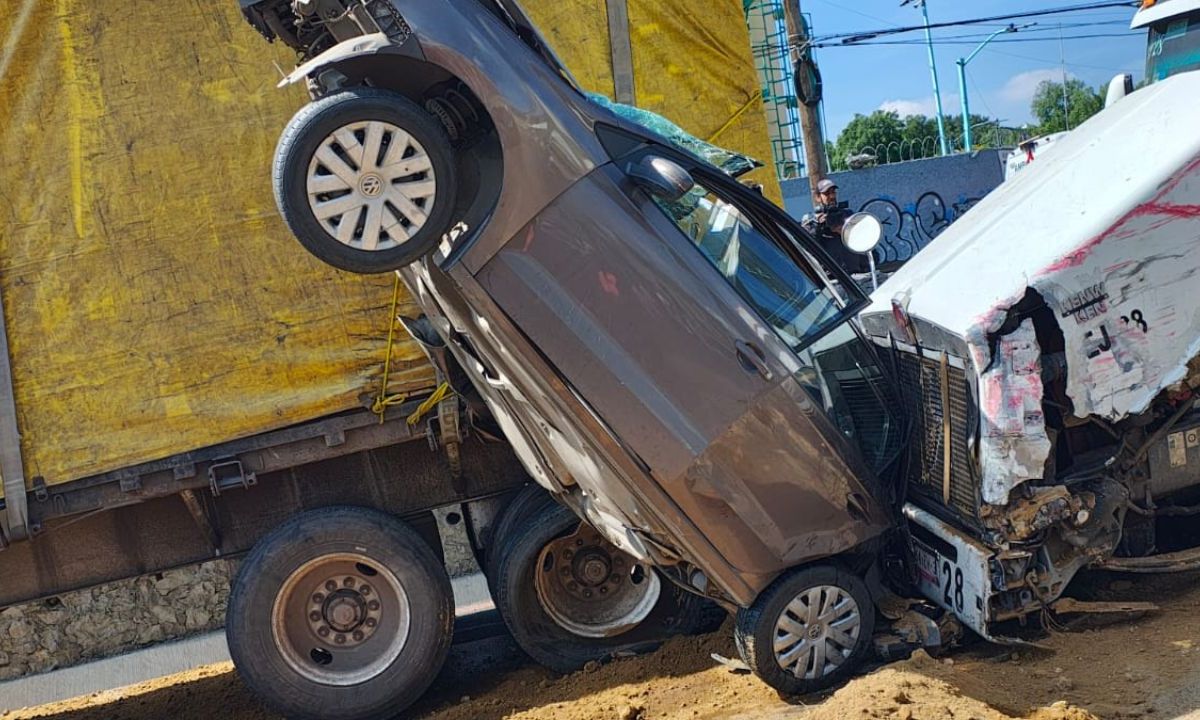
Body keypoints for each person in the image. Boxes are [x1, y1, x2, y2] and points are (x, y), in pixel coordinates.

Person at [802, 178, 870, 274]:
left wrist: (843, 230)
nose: (832, 196)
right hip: (833, 277)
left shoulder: (847, 215)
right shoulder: (811, 220)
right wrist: (818, 226)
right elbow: (806, 247)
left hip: (856, 272)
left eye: (833, 192)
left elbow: (865, 241)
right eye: (827, 194)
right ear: (818, 197)